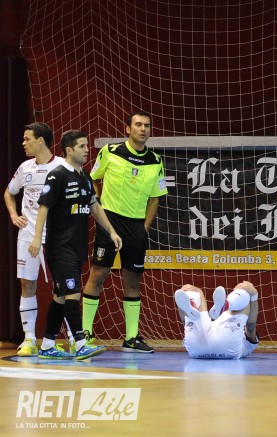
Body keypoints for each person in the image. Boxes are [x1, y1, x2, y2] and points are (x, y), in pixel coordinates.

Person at [29, 130, 122, 360]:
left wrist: (112, 231)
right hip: (60, 247)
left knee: (60, 297)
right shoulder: (57, 175)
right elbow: (43, 207)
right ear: (69, 150)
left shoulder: (85, 177)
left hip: (77, 246)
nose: (87, 150)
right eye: (82, 146)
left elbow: (95, 206)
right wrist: (36, 238)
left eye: (87, 145)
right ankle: (80, 344)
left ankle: (47, 345)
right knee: (73, 294)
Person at [82, 110, 168, 353]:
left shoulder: (156, 161)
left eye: (147, 125)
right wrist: (100, 208)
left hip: (136, 227)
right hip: (109, 222)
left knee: (132, 280)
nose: (143, 129)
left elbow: (155, 198)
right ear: (128, 129)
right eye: (138, 124)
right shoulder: (109, 151)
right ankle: (84, 334)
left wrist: (144, 229)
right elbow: (93, 178)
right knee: (98, 274)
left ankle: (131, 338)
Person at [4, 122, 77, 356]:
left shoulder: (62, 166)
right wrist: (14, 216)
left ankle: (74, 338)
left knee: (64, 288)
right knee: (27, 284)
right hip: (27, 236)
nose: (23, 143)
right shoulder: (24, 168)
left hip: (56, 237)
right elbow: (9, 193)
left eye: (27, 139)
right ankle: (29, 340)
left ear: (40, 140)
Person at [174, 281, 259, 359]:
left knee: (192, 291)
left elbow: (186, 324)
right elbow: (251, 327)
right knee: (245, 293)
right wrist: (253, 295)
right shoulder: (249, 344)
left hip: (196, 348)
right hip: (229, 349)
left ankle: (192, 303)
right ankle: (227, 304)